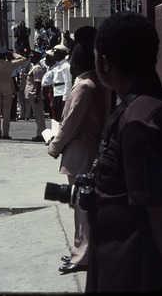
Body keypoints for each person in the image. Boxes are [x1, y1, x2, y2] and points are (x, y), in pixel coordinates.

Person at [86, 12, 162, 292]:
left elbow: (160, 213)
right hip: (116, 261)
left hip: (134, 272)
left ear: (105, 62)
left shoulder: (139, 121)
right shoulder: (143, 108)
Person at [47, 39, 108, 274]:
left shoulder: (84, 86)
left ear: (76, 62)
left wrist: (54, 146)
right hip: (86, 150)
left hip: (80, 152)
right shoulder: (96, 81)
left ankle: (83, 256)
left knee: (82, 208)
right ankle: (80, 249)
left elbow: (70, 123)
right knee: (81, 205)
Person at [0, 48, 26, 139]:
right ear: (5, 56)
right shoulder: (9, 64)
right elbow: (23, 59)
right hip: (7, 89)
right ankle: (6, 133)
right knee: (6, 112)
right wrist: (13, 54)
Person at [24, 49, 46, 142]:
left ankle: (41, 134)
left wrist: (37, 96)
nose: (30, 58)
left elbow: (38, 84)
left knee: (39, 115)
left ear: (37, 57)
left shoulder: (37, 69)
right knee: (38, 116)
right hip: (32, 93)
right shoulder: (33, 67)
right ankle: (39, 133)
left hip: (35, 94)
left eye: (32, 57)